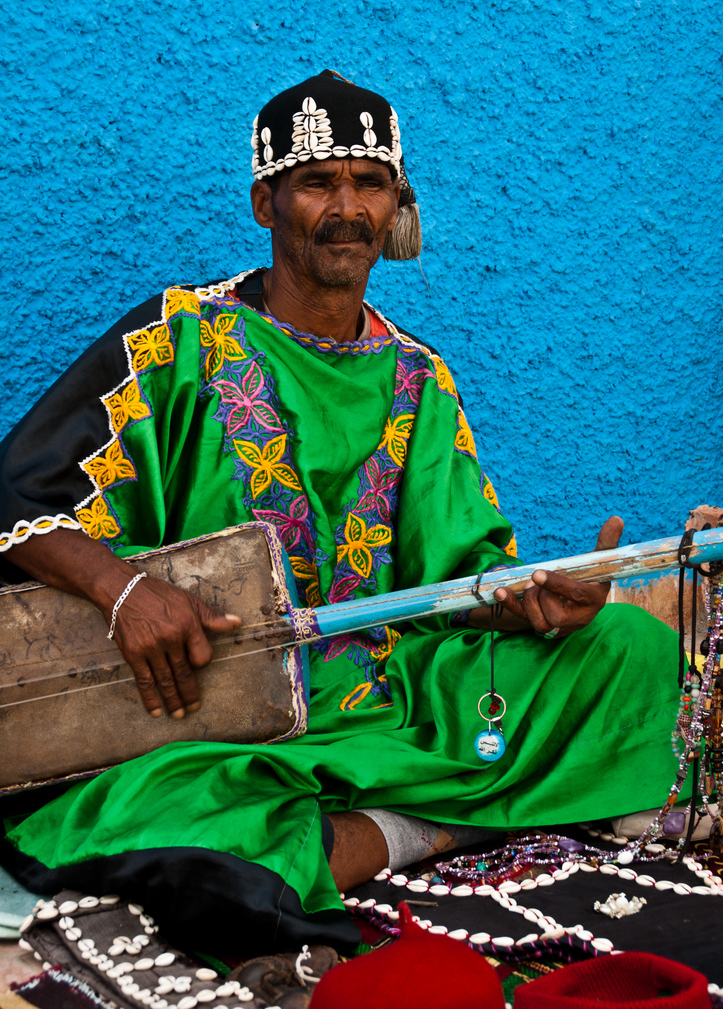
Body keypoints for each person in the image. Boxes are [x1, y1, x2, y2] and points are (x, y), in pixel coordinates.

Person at [0, 71, 681, 955]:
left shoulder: (418, 375)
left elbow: (462, 578)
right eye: (319, 182)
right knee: (165, 820)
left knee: (634, 650)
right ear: (265, 202)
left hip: (399, 695)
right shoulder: (172, 340)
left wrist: (530, 603)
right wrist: (125, 592)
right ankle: (436, 827)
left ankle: (374, 831)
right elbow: (18, 496)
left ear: (396, 202)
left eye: (369, 182)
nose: (346, 207)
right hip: (214, 716)